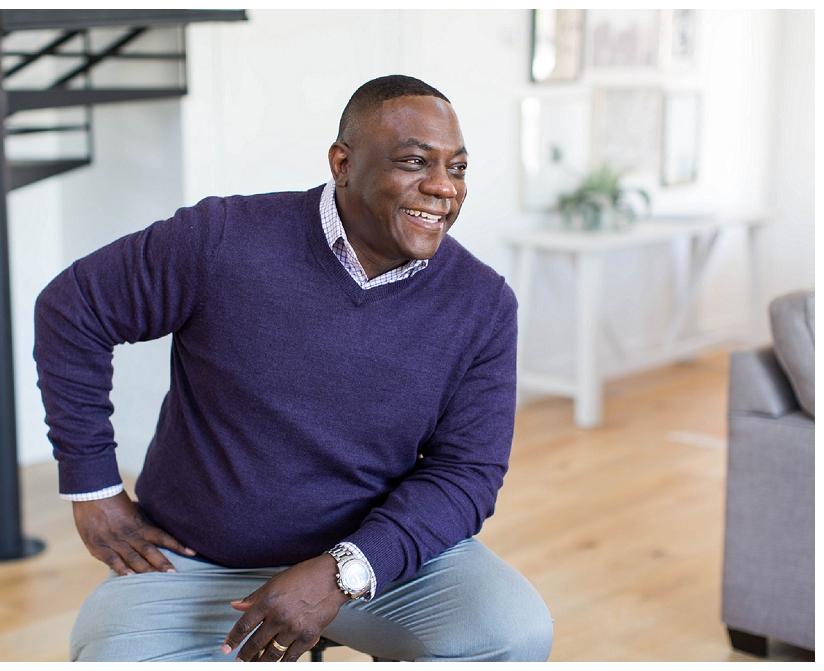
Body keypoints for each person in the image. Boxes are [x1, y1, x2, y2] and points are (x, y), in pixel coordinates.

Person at [34, 74, 553, 662]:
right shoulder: (223, 240)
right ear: (343, 163)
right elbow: (73, 310)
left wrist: (342, 573)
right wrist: (92, 487)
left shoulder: (481, 302)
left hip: (375, 562)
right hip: (196, 560)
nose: (442, 189)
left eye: (456, 168)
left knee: (514, 635)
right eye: (414, 162)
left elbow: (467, 472)